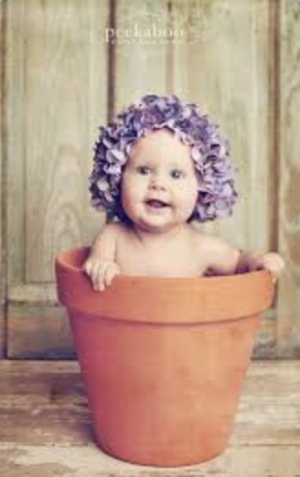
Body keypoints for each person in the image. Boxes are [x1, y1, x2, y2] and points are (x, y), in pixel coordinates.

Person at [84, 95, 285, 291]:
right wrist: (101, 266)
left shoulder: (202, 248)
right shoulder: (112, 237)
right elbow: (96, 264)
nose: (158, 184)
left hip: (185, 325)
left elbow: (240, 262)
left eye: (176, 174)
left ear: (203, 188)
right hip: (121, 324)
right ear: (117, 178)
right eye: (144, 170)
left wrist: (260, 261)